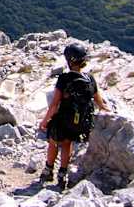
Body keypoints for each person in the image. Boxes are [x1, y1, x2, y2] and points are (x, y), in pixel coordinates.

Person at [38, 43, 109, 189]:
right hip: (81, 122)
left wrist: (44, 121)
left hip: (63, 119)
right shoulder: (90, 78)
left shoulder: (64, 78)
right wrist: (106, 110)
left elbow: (55, 104)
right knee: (67, 143)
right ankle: (62, 174)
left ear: (69, 60)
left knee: (53, 141)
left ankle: (48, 169)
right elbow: (98, 100)